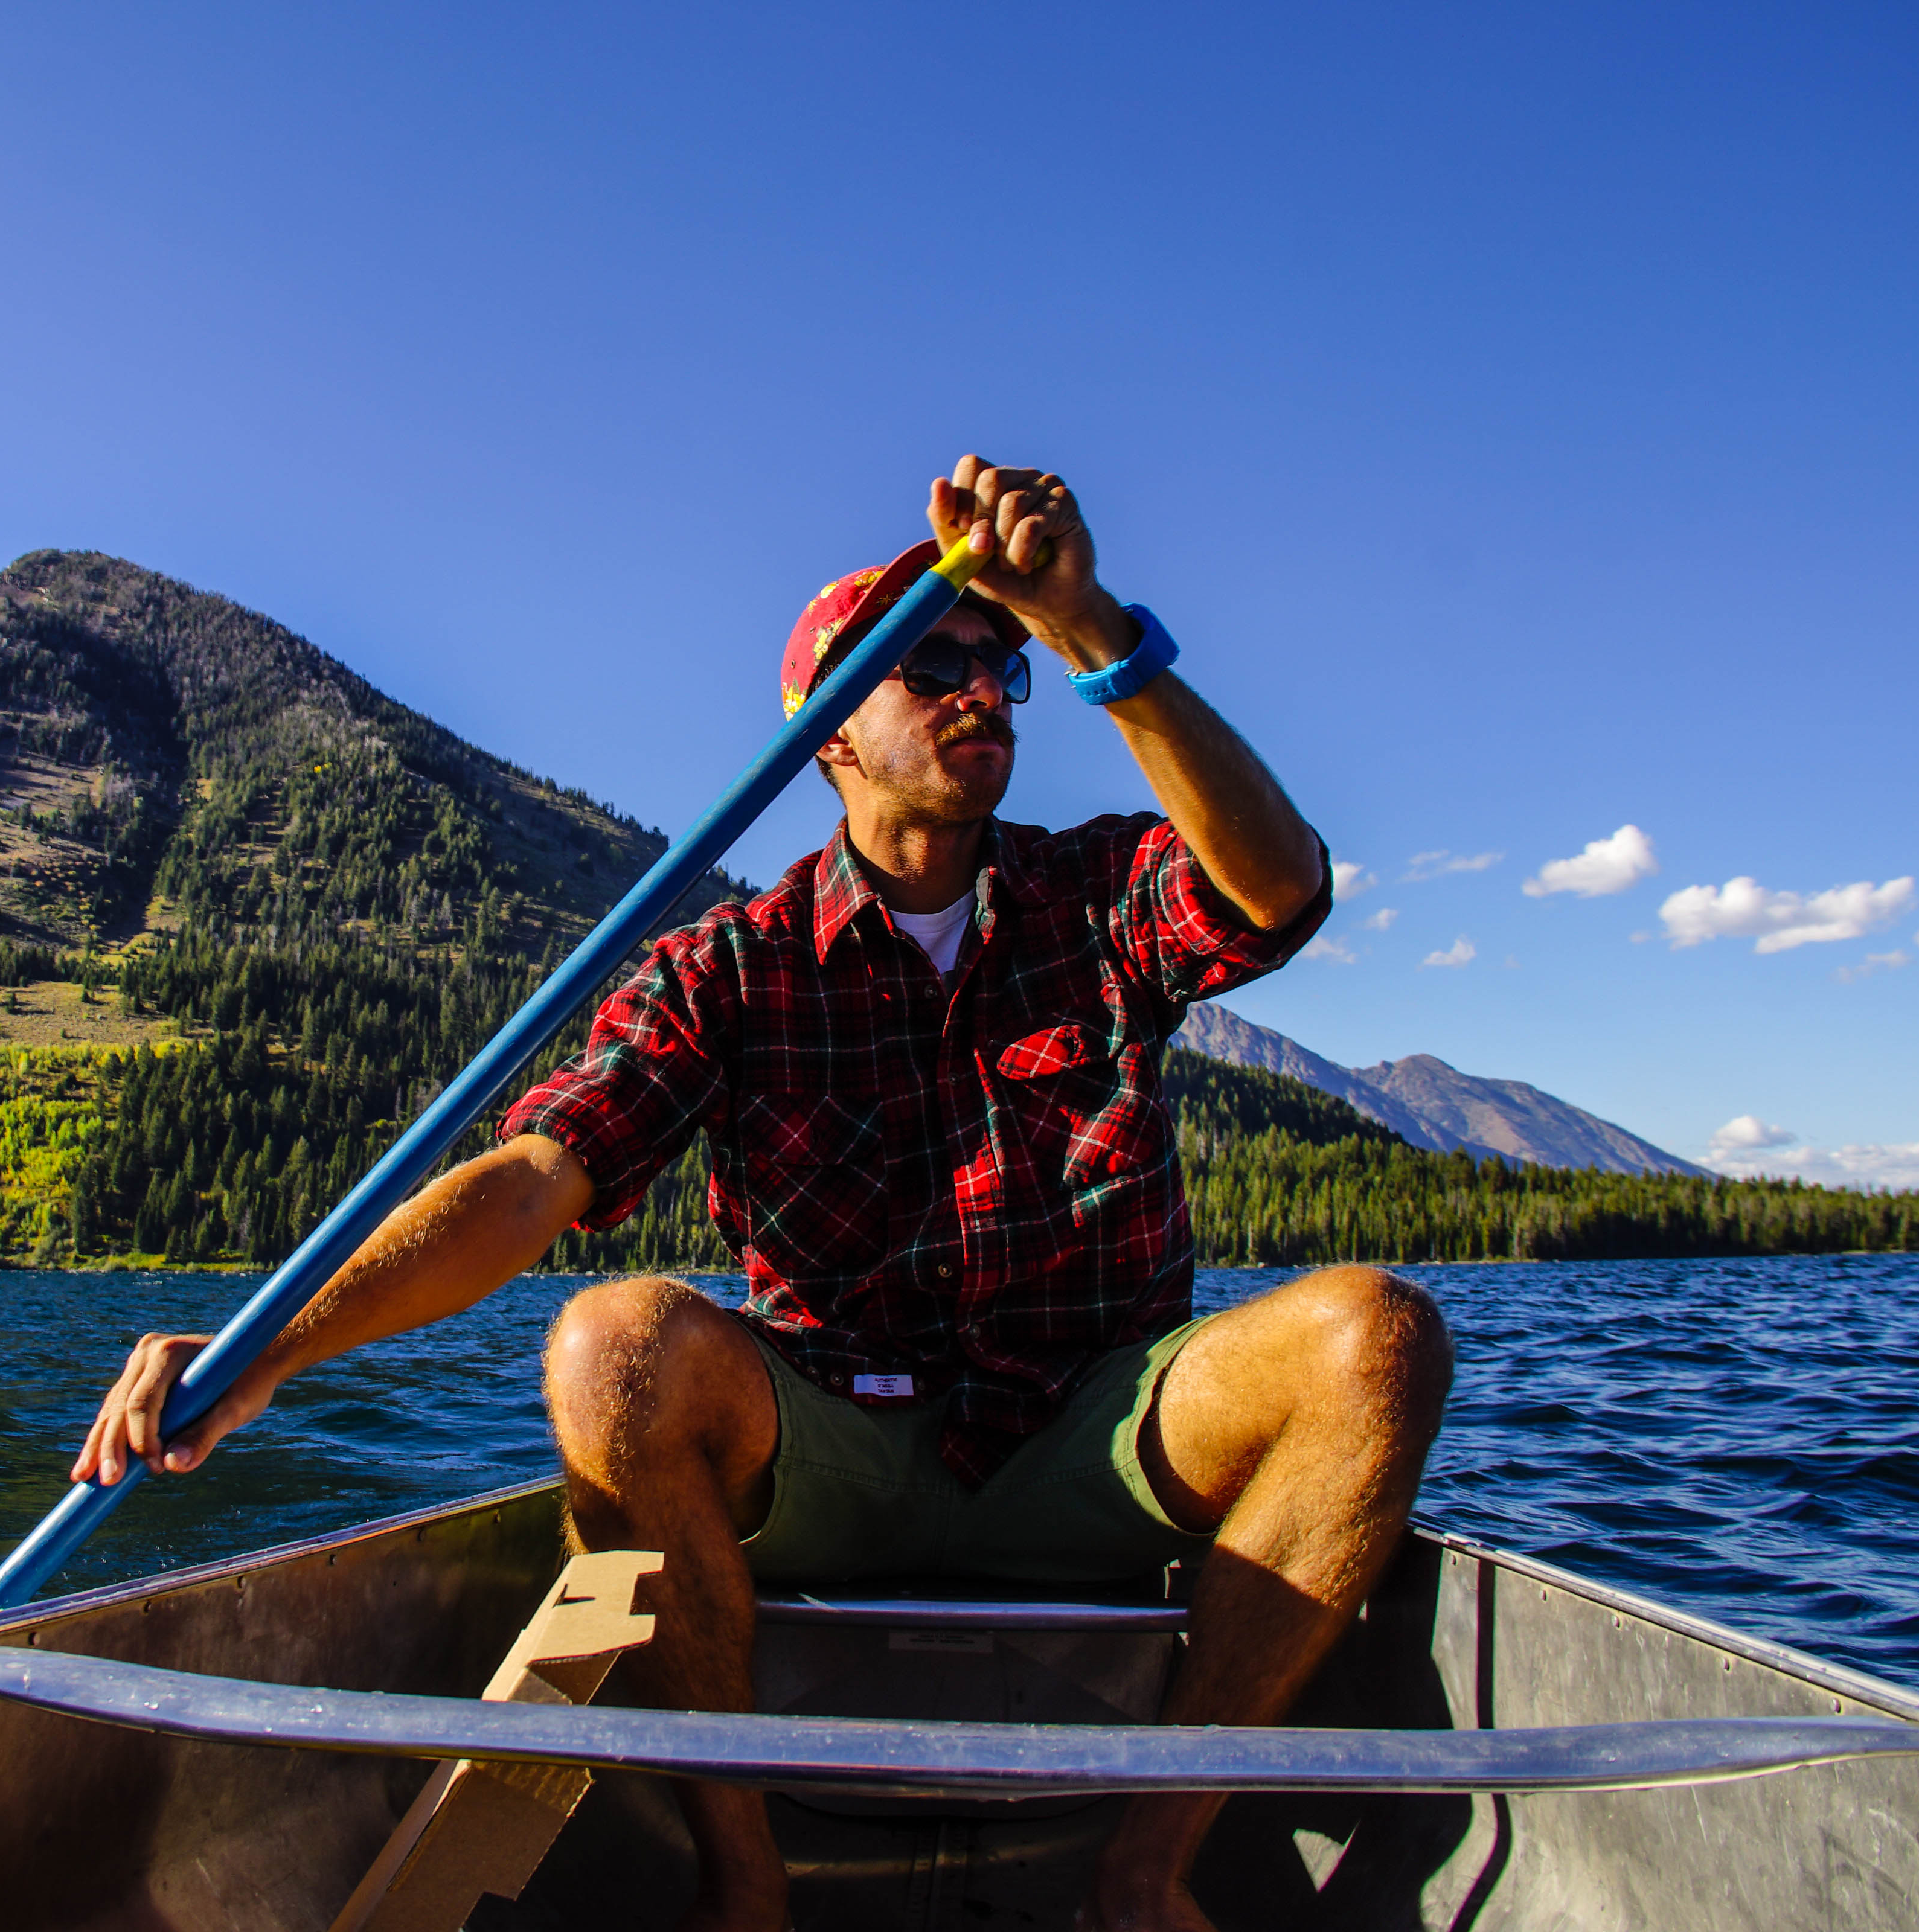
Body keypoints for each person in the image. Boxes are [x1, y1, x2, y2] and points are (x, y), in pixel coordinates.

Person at [76, 457, 1454, 1932]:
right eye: (931, 660)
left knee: (1371, 1336)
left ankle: (1145, 1870)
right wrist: (263, 1348)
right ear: (832, 737)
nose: (980, 683)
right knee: (611, 1344)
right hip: (836, 1447)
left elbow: (1279, 894)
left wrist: (1087, 621)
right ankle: (750, 1881)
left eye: (999, 662)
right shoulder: (727, 971)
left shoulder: (1099, 897)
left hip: (1093, 1435)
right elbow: (532, 1182)